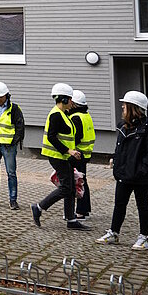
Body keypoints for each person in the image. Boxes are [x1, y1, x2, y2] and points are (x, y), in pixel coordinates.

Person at [96, 90, 148, 249]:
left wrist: (141, 171)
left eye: (125, 105)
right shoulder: (122, 126)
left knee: (142, 205)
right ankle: (113, 233)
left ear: (134, 107)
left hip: (140, 177)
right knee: (119, 204)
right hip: (123, 173)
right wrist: (116, 163)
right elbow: (120, 149)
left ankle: (144, 237)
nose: (122, 107)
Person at [32, 83, 88, 230]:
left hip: (63, 156)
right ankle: (39, 207)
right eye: (70, 100)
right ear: (63, 100)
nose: (72, 102)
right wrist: (68, 151)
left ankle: (71, 220)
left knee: (70, 188)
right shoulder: (56, 115)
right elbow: (52, 137)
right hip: (57, 156)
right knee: (65, 188)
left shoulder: (64, 114)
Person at [71, 90, 95, 218]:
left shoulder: (76, 117)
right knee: (82, 181)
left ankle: (80, 211)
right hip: (85, 154)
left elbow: (76, 137)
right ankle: (84, 209)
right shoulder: (86, 115)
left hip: (77, 154)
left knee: (77, 182)